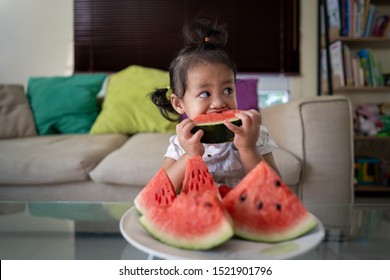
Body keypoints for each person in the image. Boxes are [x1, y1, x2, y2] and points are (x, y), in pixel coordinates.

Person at [150, 18, 280, 192]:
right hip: (199, 215)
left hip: (245, 213)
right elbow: (161, 190)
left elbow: (276, 189)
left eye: (227, 90)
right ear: (178, 103)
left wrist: (248, 148)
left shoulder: (256, 134)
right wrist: (190, 155)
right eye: (205, 94)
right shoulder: (180, 143)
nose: (219, 103)